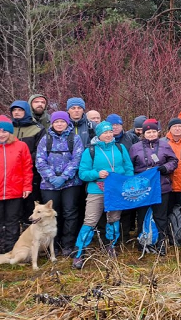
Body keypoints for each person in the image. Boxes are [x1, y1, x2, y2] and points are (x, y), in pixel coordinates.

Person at [75, 121, 134, 268]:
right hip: (96, 190)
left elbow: (128, 168)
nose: (108, 135)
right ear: (98, 135)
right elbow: (83, 173)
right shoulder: (90, 151)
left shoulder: (120, 148)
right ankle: (79, 253)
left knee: (114, 218)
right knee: (90, 220)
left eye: (110, 132)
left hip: (116, 190)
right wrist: (96, 173)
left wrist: (126, 184)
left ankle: (111, 246)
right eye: (104, 133)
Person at [36, 110, 84, 256]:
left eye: (62, 121)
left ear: (67, 122)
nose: (59, 124)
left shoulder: (74, 139)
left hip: (71, 184)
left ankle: (68, 244)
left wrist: (64, 177)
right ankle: (53, 245)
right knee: (51, 215)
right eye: (56, 122)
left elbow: (77, 159)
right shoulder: (45, 139)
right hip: (49, 185)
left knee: (70, 213)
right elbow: (40, 161)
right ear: (52, 123)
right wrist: (51, 178)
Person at [128, 119, 178, 254]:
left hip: (162, 187)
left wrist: (165, 168)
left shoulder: (165, 145)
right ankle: (143, 242)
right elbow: (130, 167)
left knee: (160, 216)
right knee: (143, 215)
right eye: (148, 132)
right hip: (143, 188)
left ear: (158, 132)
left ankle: (161, 243)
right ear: (143, 133)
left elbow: (174, 161)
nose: (151, 134)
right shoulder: (135, 147)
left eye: (153, 132)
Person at [0, 116, 33, 254]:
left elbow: (27, 167)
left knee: (12, 222)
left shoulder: (21, 146)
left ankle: (10, 250)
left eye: (4, 131)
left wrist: (27, 186)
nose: (1, 134)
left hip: (15, 191)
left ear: (10, 132)